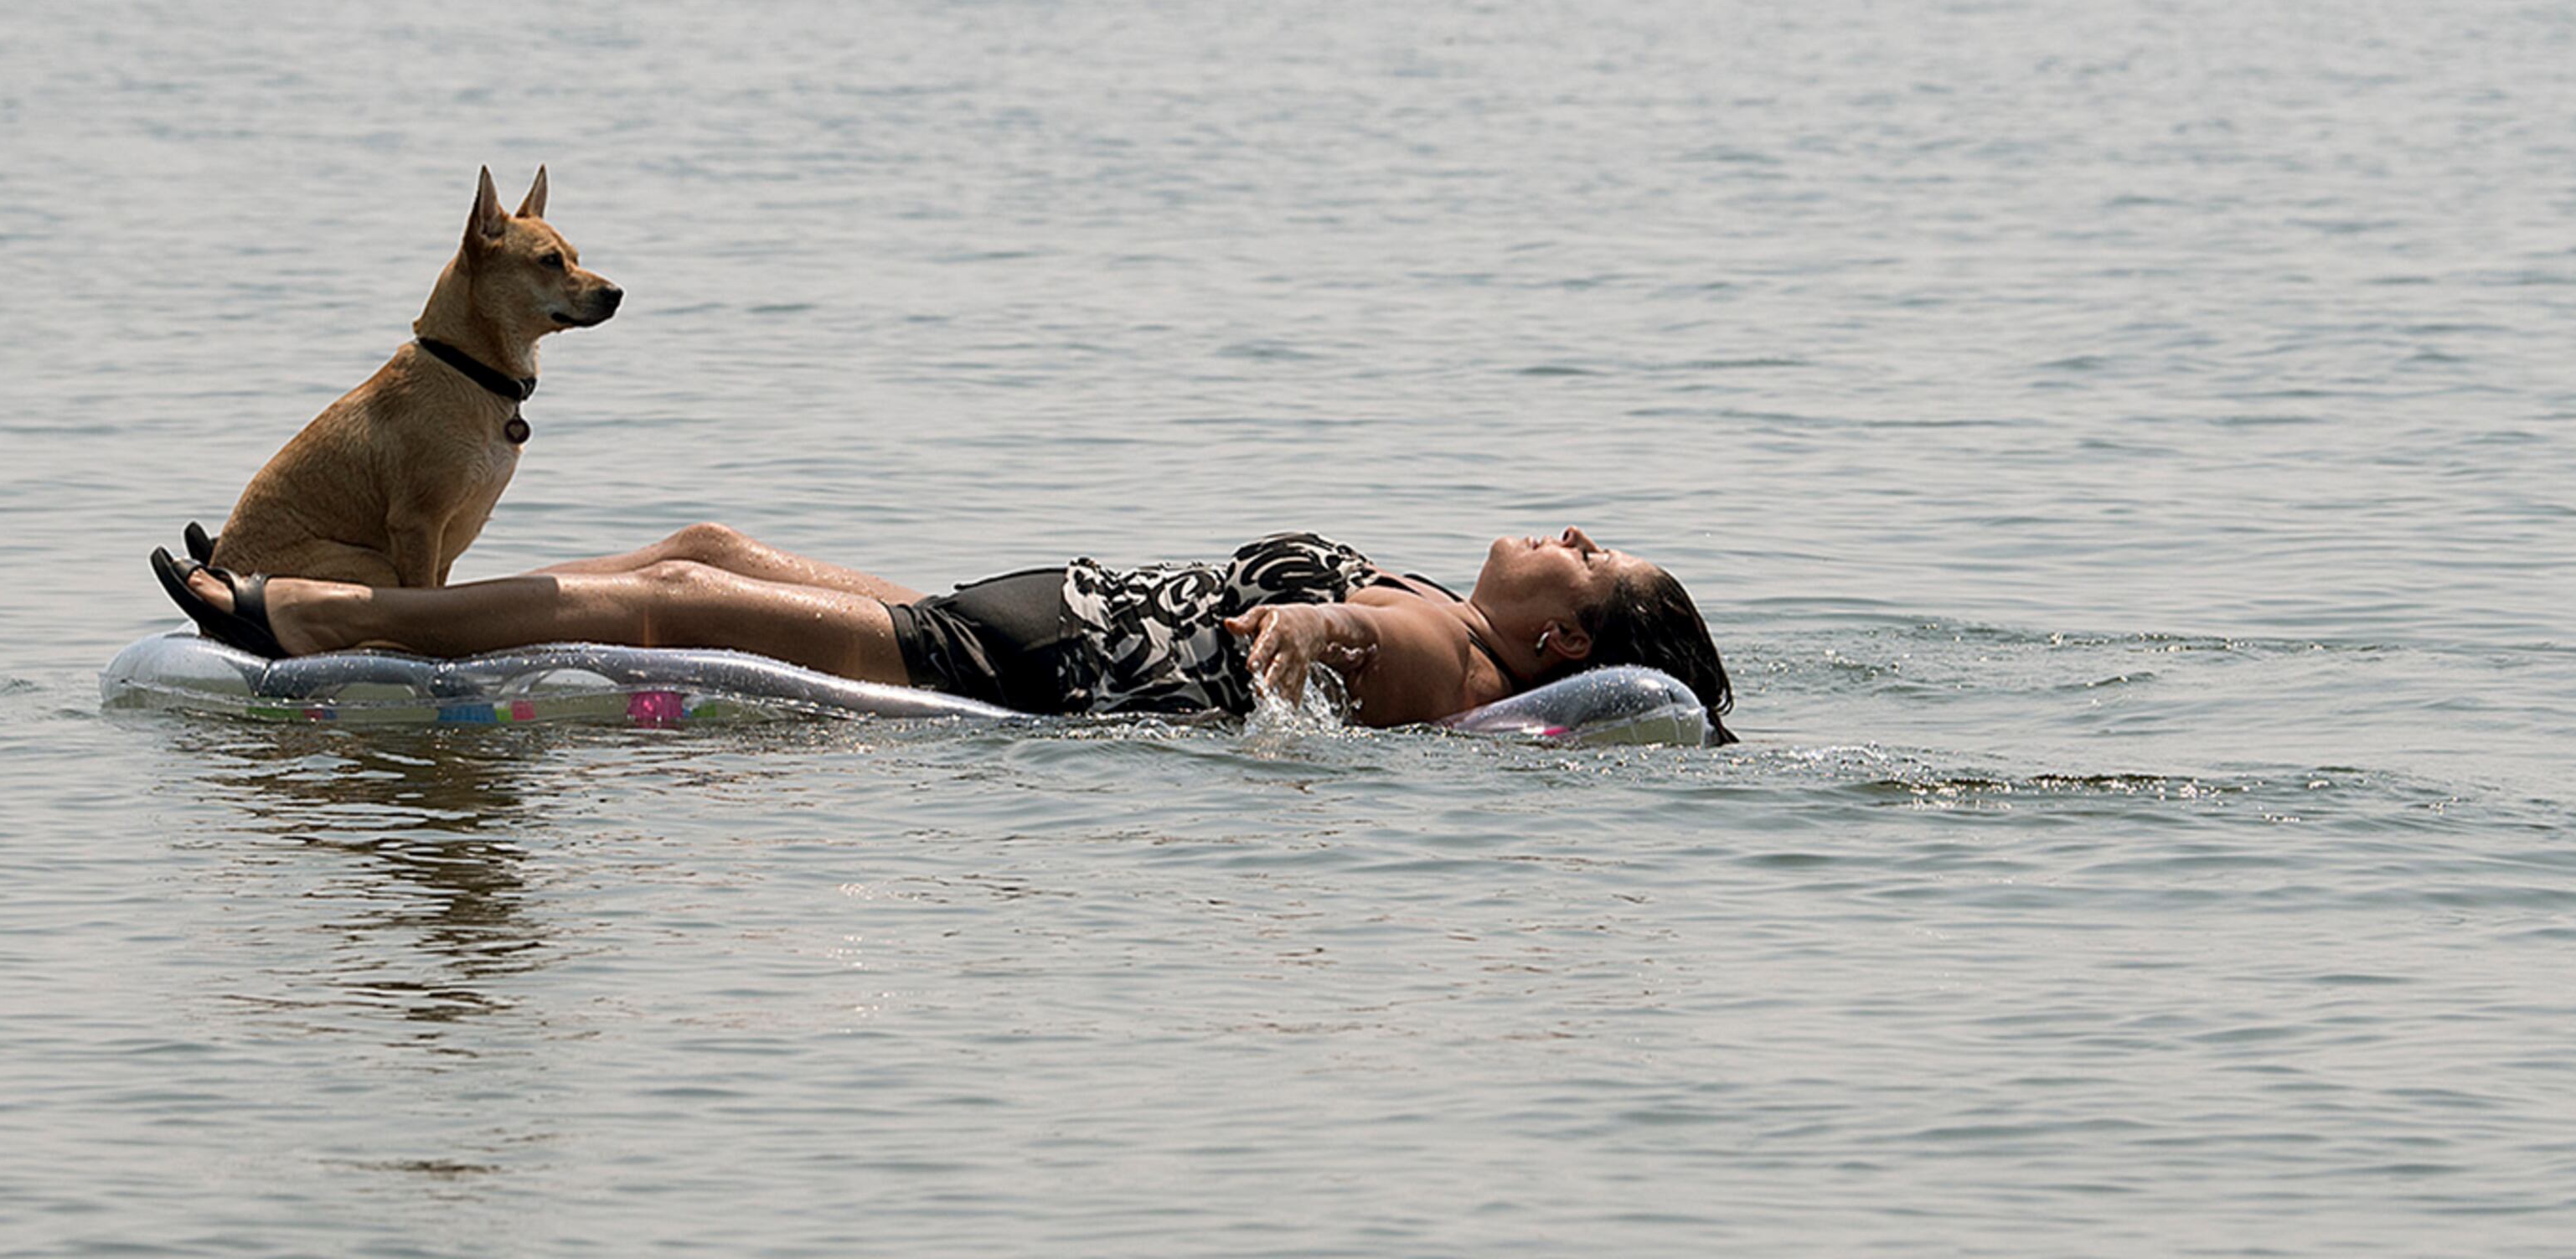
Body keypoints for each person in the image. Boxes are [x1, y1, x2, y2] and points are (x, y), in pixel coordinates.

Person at [152, 521, 1737, 739]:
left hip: (1004, 669)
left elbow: (1316, 645)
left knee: (682, 603)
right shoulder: (1458, 613)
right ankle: (354, 596)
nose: (1565, 532)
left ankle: (307, 618)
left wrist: (1299, 641)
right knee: (705, 542)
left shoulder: (1436, 654)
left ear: (1553, 651)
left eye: (1587, 559)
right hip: (993, 621)